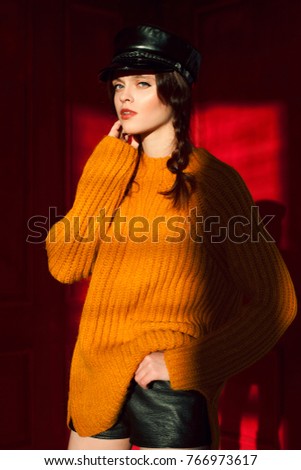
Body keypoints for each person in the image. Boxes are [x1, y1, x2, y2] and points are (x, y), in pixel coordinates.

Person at [45, 24, 297, 450]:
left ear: (176, 90)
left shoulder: (213, 181)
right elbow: (65, 266)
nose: (124, 95)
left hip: (167, 386)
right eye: (119, 84)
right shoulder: (111, 171)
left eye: (142, 83)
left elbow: (278, 304)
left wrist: (186, 364)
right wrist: (104, 168)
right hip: (96, 374)